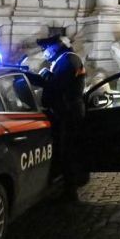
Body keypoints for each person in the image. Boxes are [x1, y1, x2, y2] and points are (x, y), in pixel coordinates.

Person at [31, 35, 88, 201]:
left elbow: (57, 86)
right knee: (66, 150)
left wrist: (39, 78)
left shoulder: (67, 61)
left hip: (68, 113)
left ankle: (70, 191)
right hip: (68, 111)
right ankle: (67, 185)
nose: (44, 53)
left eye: (45, 49)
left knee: (67, 151)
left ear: (55, 48)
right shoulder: (67, 59)